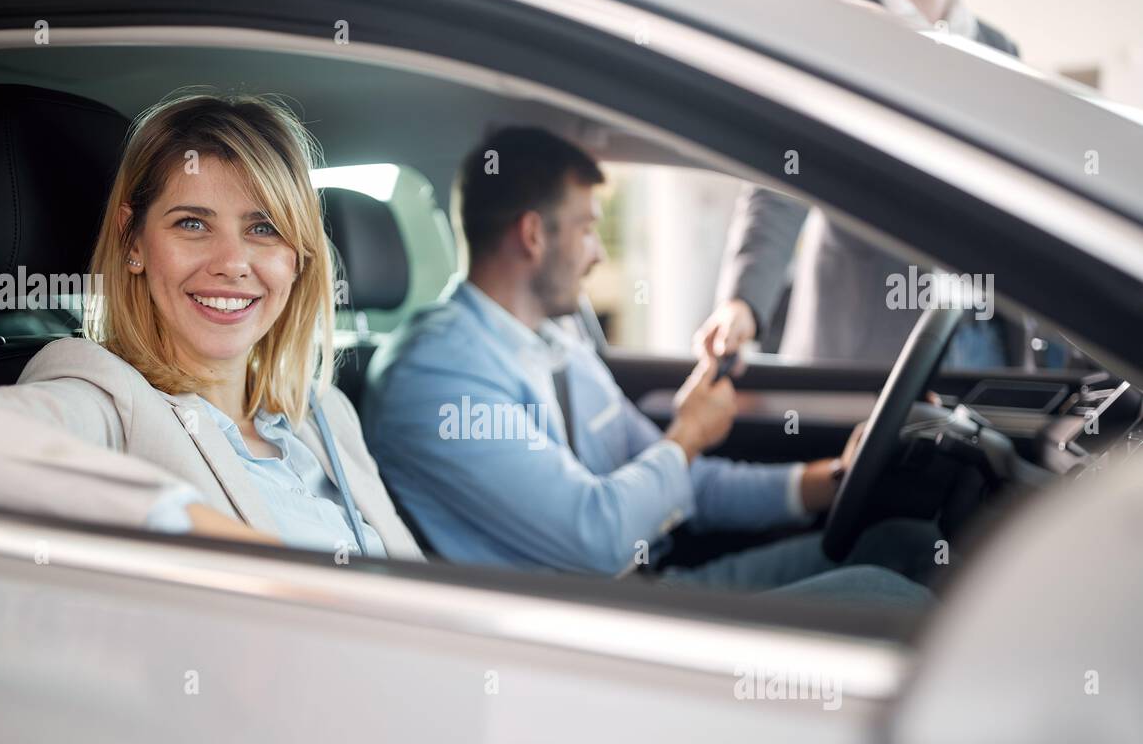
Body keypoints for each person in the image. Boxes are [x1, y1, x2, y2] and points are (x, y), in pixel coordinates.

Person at [361, 127, 934, 603]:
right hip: (594, 632)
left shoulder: (558, 344)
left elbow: (680, 479)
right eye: (587, 227)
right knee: (888, 597)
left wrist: (833, 480)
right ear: (534, 235)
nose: (599, 253)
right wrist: (687, 434)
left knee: (903, 545)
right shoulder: (435, 376)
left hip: (658, 587)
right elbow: (600, 534)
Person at [0, 92, 422, 561]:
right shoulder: (108, 399)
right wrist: (183, 521)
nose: (232, 261)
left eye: (263, 228)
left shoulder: (322, 415)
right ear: (134, 242)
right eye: (192, 223)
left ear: (297, 256)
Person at [697, 0, 1032, 368]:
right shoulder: (837, 34)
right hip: (867, 344)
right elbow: (784, 174)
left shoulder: (998, 50)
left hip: (984, 340)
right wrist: (743, 300)